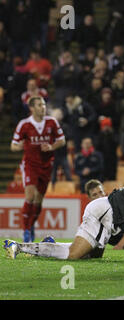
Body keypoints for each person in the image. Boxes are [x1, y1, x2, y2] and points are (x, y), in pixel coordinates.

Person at [10, 96, 66, 242]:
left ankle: (31, 225)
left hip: (46, 166)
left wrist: (52, 147)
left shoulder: (51, 122)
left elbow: (62, 140)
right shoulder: (24, 124)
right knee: (30, 196)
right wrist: (21, 146)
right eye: (39, 105)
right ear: (32, 108)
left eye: (44, 104)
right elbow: (13, 145)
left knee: (38, 201)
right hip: (30, 164)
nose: (43, 107)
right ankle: (26, 231)